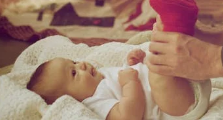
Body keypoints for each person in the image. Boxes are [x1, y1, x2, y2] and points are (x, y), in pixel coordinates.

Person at [26, 48, 211, 120]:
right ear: (70, 98)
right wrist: (130, 83)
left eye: (73, 62)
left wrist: (133, 63)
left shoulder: (100, 77)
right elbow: (128, 115)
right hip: (175, 108)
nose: (80, 64)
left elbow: (124, 76)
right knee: (158, 65)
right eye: (74, 73)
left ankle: (194, 55)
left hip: (181, 85)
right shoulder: (94, 102)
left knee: (156, 56)